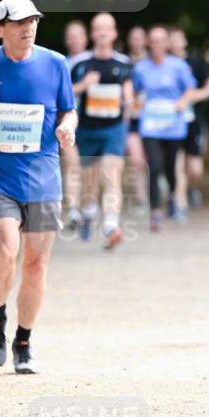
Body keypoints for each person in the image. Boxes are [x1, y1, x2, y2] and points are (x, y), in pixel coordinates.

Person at [0, 0, 76, 373]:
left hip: (43, 178)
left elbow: (69, 109)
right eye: (18, 22)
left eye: (32, 21)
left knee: (35, 263)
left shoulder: (55, 63)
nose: (28, 28)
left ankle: (23, 341)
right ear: (1, 29)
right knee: (4, 252)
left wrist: (67, 128)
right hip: (1, 178)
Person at [69, 13, 133, 248]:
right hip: (86, 130)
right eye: (98, 28)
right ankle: (88, 211)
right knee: (90, 181)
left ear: (114, 33)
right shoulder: (80, 64)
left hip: (113, 129)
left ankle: (111, 224)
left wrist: (128, 99)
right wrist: (84, 85)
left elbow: (129, 89)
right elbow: (65, 93)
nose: (103, 32)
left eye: (107, 28)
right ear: (92, 33)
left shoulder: (124, 64)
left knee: (111, 172)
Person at [132, 25, 197, 231]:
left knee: (170, 169)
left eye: (160, 40)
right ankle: (155, 213)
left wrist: (182, 102)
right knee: (154, 167)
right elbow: (133, 91)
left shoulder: (178, 66)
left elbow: (191, 88)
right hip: (150, 126)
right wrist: (133, 102)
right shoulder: (141, 68)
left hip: (173, 125)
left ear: (167, 43)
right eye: (153, 41)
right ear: (148, 43)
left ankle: (171, 196)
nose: (156, 45)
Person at [168, 26, 209, 209]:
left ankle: (189, 188)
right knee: (176, 163)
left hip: (194, 121)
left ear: (184, 41)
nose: (174, 42)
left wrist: (192, 96)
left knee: (195, 169)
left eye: (178, 38)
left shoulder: (195, 62)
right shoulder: (162, 63)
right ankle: (179, 203)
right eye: (171, 39)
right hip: (170, 122)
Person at [61, 19, 88, 230]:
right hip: (69, 120)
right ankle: (73, 209)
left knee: (91, 169)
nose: (74, 40)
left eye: (78, 35)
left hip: (93, 123)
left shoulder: (96, 60)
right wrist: (84, 85)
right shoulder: (60, 63)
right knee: (73, 164)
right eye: (70, 36)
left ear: (86, 38)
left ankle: (87, 205)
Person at [125, 25, 149, 213]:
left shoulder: (155, 62)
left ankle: (159, 185)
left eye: (139, 38)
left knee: (154, 159)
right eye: (133, 38)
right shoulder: (123, 63)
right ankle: (142, 200)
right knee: (136, 160)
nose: (136, 42)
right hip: (132, 118)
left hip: (154, 118)